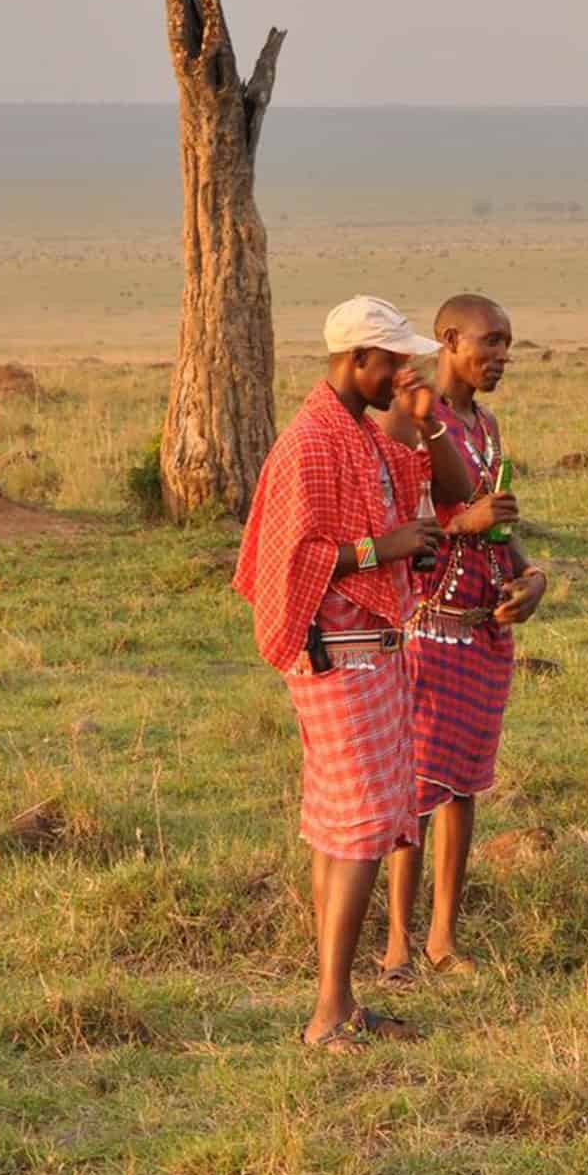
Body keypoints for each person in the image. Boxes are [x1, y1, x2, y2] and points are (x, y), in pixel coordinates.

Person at [231, 296, 473, 1053]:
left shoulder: (361, 436)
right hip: (340, 652)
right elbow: (291, 557)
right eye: (393, 362)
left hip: (371, 649)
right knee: (362, 830)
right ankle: (328, 1012)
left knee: (343, 829)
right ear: (355, 361)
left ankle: (341, 1001)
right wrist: (384, 550)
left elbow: (452, 490)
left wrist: (427, 418)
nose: (404, 371)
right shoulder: (311, 444)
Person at [378, 294, 548, 986]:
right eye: (492, 342)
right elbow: (388, 516)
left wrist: (530, 578)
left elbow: (498, 526)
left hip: (484, 632)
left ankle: (443, 940)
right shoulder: (412, 417)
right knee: (416, 788)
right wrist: (461, 527)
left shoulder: (486, 425)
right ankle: (395, 946)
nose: (503, 357)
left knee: (463, 789)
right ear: (448, 339)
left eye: (509, 344)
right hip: (428, 628)